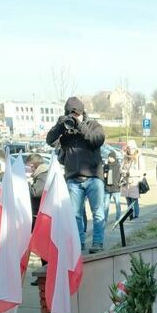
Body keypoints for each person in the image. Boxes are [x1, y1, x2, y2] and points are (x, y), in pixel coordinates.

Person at [45, 96, 107, 253]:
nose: (73, 117)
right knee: (75, 215)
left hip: (94, 177)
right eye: (70, 114)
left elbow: (97, 140)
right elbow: (50, 140)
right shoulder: (65, 130)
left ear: (81, 113)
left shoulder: (93, 125)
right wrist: (60, 125)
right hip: (73, 179)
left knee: (98, 212)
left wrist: (80, 126)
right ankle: (78, 243)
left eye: (75, 114)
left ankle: (98, 243)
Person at [121, 140, 145, 221]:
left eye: (132, 148)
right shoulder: (125, 157)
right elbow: (121, 168)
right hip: (126, 183)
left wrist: (130, 173)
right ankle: (130, 216)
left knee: (134, 201)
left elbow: (142, 171)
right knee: (128, 201)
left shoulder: (139, 157)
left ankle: (136, 217)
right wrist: (123, 172)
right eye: (129, 148)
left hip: (134, 183)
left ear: (135, 148)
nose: (130, 150)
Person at [103, 146, 124, 224]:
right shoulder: (106, 166)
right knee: (106, 205)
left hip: (116, 189)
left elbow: (122, 175)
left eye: (110, 157)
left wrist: (120, 182)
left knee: (117, 204)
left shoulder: (118, 166)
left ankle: (118, 218)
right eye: (108, 157)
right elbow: (103, 176)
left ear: (114, 158)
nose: (109, 159)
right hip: (107, 188)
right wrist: (104, 175)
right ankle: (104, 219)